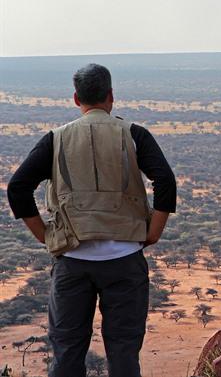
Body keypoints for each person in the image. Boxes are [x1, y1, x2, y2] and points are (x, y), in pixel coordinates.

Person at [6, 63, 177, 377]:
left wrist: (44, 236)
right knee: (124, 354)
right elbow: (165, 180)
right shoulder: (134, 134)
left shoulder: (56, 139)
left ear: (75, 98)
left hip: (72, 261)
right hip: (125, 259)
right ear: (111, 96)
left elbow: (18, 187)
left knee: (67, 355)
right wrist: (153, 232)